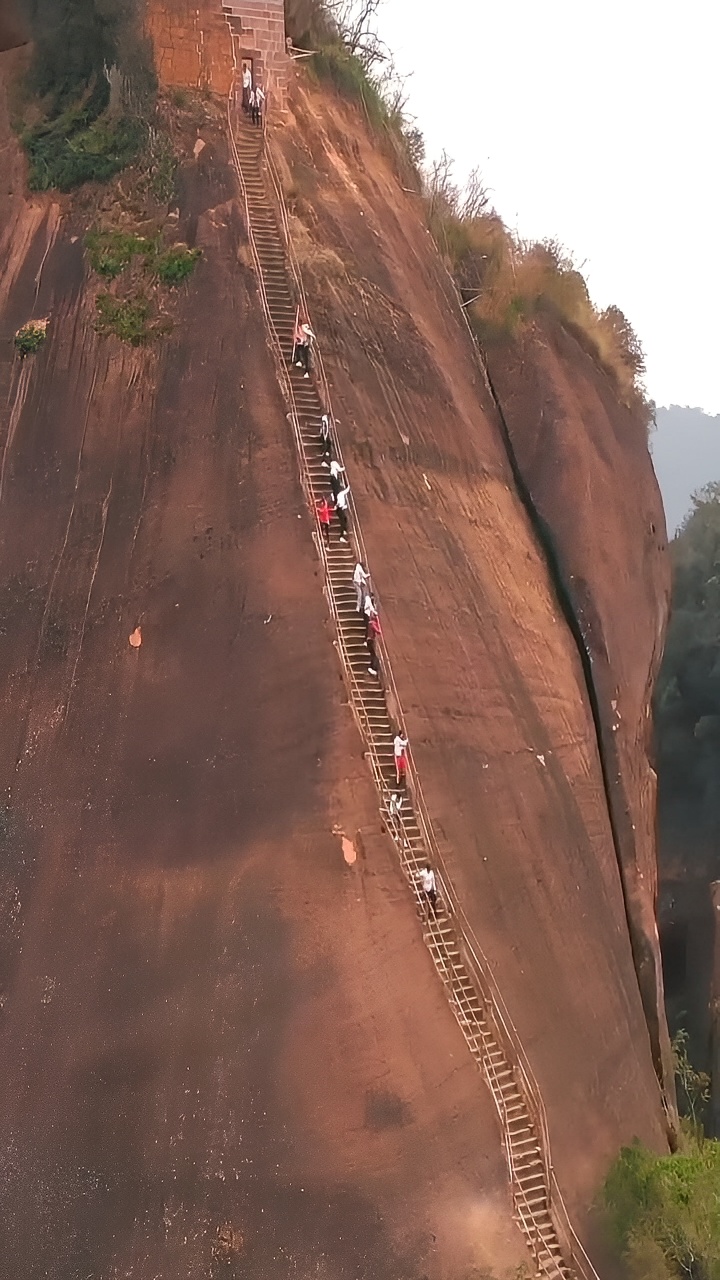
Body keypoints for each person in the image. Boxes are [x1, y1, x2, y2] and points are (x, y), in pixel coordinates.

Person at [366, 611, 381, 676]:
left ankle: (372, 667)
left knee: (373, 654)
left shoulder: (370, 623)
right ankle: (371, 667)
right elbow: (378, 631)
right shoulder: (372, 623)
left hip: (369, 640)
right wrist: (377, 620)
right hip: (370, 640)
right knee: (373, 655)